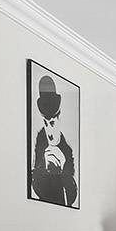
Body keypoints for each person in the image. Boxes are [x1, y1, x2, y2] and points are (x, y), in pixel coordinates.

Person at [29, 74, 78, 206]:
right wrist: (44, 168)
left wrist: (62, 171)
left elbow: (71, 196)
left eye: (52, 123)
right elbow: (34, 184)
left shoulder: (67, 149)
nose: (49, 133)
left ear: (59, 119)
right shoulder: (40, 141)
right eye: (45, 123)